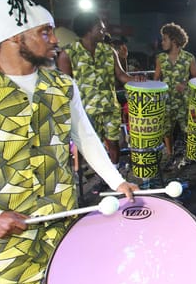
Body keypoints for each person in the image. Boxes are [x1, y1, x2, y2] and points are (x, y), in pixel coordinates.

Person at [0, 0, 138, 284]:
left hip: (60, 214)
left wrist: (117, 181)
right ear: (13, 38)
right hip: (7, 231)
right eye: (45, 33)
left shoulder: (63, 85)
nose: (55, 40)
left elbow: (86, 136)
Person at [56, 13, 142, 176]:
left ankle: (114, 173)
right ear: (89, 29)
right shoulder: (68, 53)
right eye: (100, 27)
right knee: (83, 145)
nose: (104, 30)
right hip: (84, 110)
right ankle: (78, 174)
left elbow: (121, 76)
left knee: (113, 143)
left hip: (109, 106)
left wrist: (137, 80)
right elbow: (66, 86)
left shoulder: (109, 51)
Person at [154, 23, 196, 162]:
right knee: (167, 130)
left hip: (184, 101)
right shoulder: (160, 58)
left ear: (174, 40)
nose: (162, 42)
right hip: (166, 101)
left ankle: (190, 155)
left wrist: (185, 84)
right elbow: (156, 79)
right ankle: (170, 154)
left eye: (164, 39)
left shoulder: (189, 57)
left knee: (188, 129)